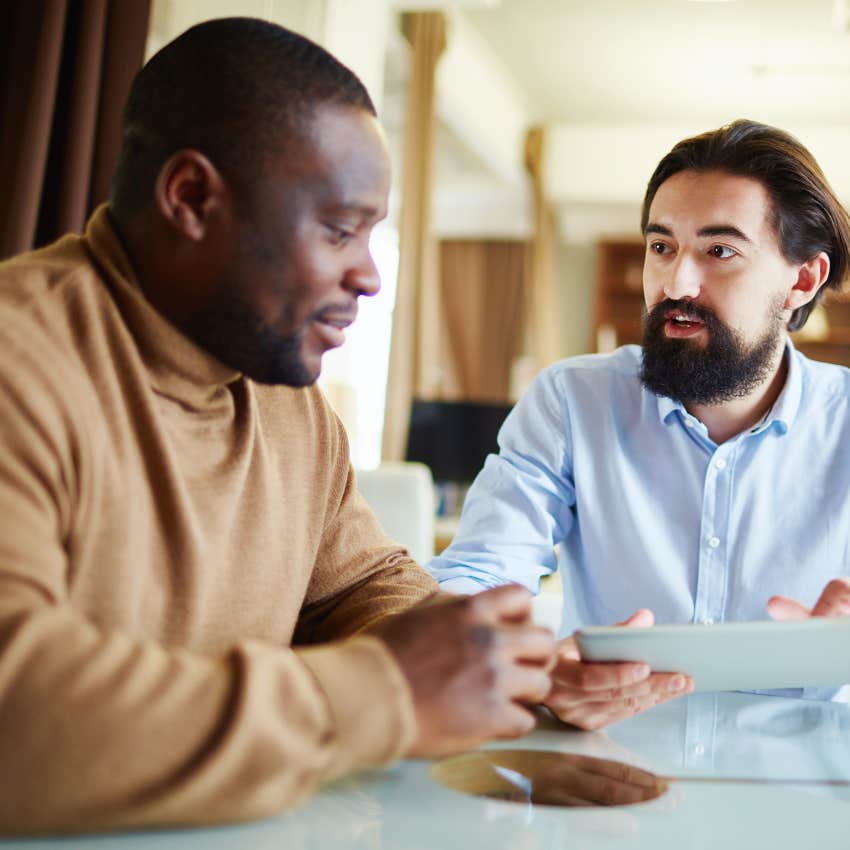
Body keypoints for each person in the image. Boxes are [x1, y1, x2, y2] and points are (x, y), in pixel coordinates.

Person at [0, 18, 556, 835]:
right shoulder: (23, 359)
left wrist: (503, 664)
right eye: (339, 229)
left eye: (373, 235)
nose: (368, 275)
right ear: (190, 198)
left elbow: (363, 589)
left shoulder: (290, 404)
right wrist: (386, 693)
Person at [430, 119, 850, 730]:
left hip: (810, 787)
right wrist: (536, 667)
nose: (676, 283)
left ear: (802, 279)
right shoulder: (573, 401)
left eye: (720, 251)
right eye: (662, 246)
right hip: (608, 776)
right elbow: (479, 576)